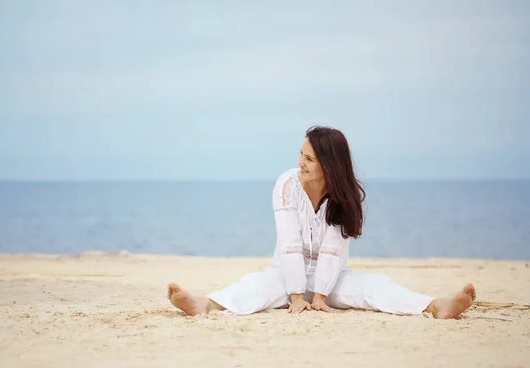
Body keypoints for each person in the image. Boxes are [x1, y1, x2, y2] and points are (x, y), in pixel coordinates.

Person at [167, 126, 476, 319]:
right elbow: (288, 242)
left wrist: (321, 297)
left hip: (331, 278)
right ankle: (203, 304)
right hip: (285, 275)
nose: (300, 162)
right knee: (255, 286)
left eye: (309, 159)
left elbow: (334, 249)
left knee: (375, 286)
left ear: (329, 166)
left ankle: (436, 306)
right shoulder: (286, 184)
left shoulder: (346, 195)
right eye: (300, 154)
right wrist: (298, 296)